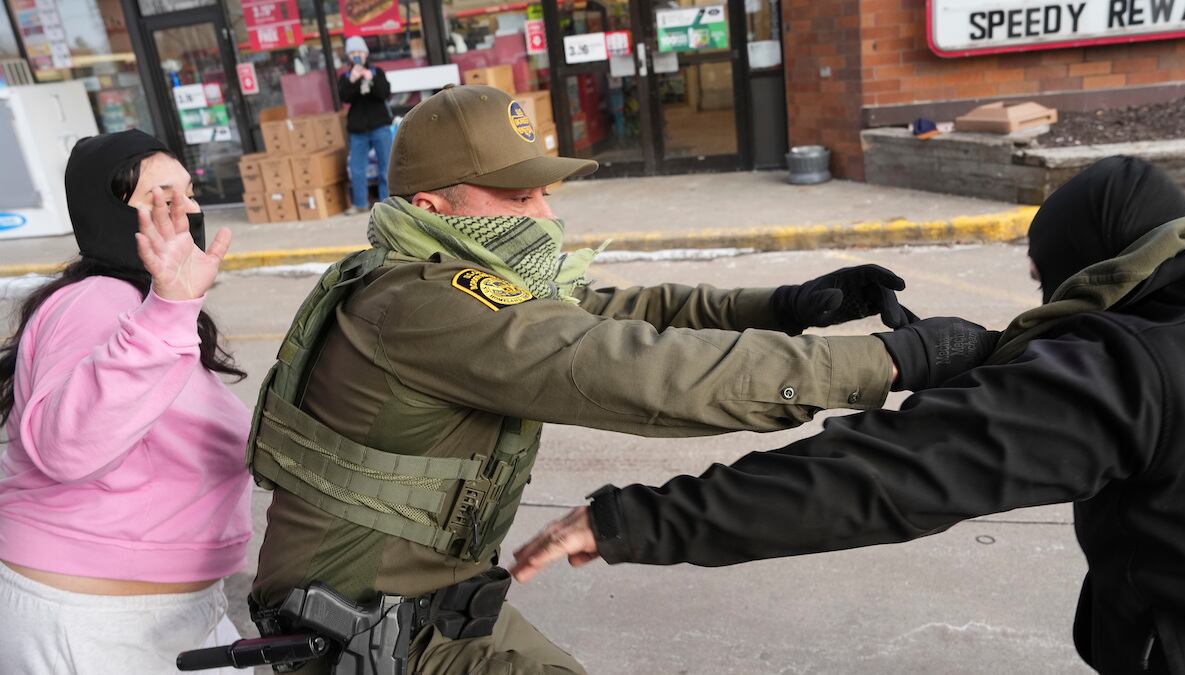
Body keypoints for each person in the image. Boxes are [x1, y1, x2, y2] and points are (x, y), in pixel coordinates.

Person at [244, 84, 996, 674]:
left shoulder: (443, 272)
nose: (542, 213)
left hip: (429, 595)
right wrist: (887, 362)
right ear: (434, 206)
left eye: (542, 191)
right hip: (360, 628)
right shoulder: (428, 305)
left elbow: (625, 309)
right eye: (515, 196)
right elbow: (638, 369)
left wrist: (787, 305)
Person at [512, 156, 1185, 675]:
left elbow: (882, 475)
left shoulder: (1134, 369)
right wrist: (791, 305)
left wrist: (634, 520)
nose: (546, 213)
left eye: (1045, 274)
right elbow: (629, 314)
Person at [0, 130, 253, 674]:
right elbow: (68, 446)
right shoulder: (97, 300)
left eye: (188, 192)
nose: (188, 209)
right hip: (93, 619)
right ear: (108, 211)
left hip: (165, 612)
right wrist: (169, 309)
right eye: (162, 198)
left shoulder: (146, 305)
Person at [339, 35, 393, 215]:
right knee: (357, 169)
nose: (356, 55)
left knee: (386, 166)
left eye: (359, 52)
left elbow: (384, 93)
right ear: (348, 56)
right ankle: (360, 203)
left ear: (366, 53)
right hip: (358, 129)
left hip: (380, 126)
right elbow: (344, 97)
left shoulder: (378, 72)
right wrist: (353, 80)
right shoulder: (346, 77)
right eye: (353, 52)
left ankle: (388, 203)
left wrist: (371, 79)